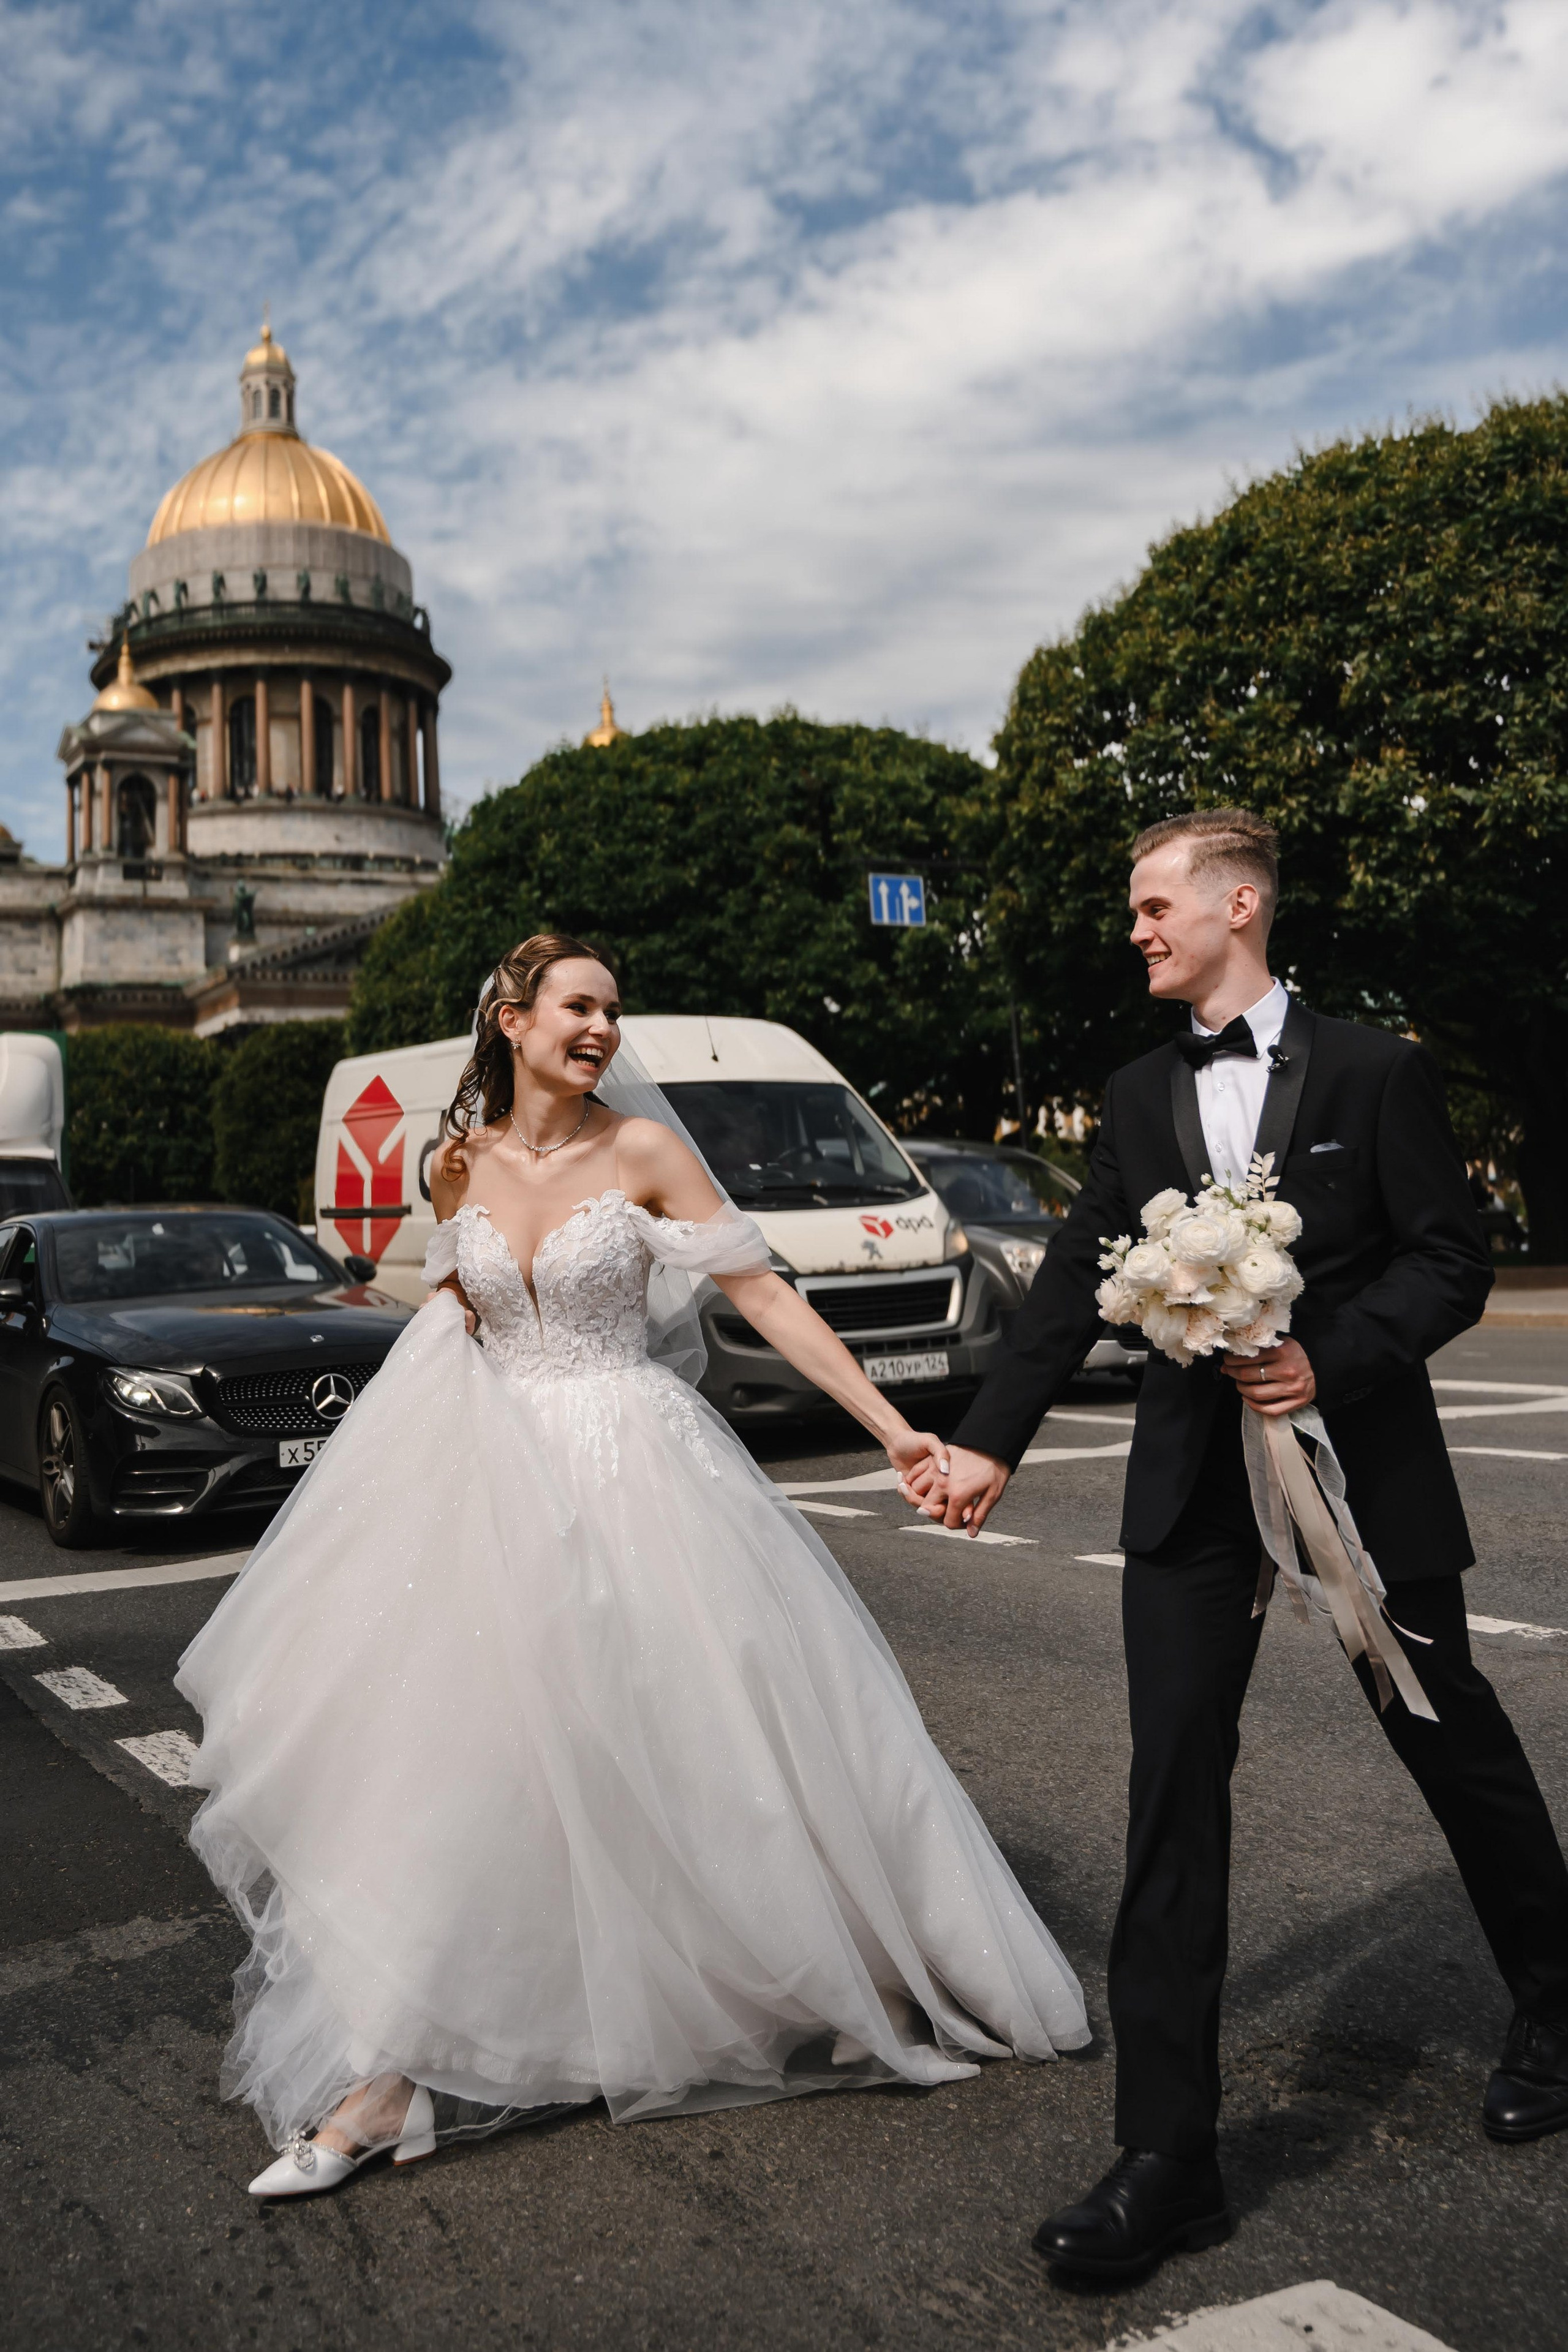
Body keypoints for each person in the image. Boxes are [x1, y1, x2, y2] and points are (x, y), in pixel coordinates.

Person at [177, 933, 1089, 2199]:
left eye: (613, 1009)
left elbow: (763, 1297)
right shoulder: (456, 1165)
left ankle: (816, 1971)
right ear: (511, 1018)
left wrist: (893, 1430)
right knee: (476, 1764)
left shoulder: (646, 1151)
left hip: (637, 1464)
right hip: (496, 1482)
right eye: (578, 1006)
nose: (602, 1027)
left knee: (703, 1741)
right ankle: (388, 2080)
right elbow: (455, 1324)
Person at [908, 810, 1568, 2282]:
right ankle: (1165, 2158)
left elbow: (1448, 1255)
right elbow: (1076, 1280)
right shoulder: (1135, 1092)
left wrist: (1329, 1355)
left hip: (1354, 1465)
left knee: (1446, 1737)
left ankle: (1556, 1996)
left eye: (1153, 906)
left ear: (1237, 905)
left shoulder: (1376, 1070)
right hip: (1193, 1490)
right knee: (1170, 1786)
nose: (1135, 930)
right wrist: (986, 1445)